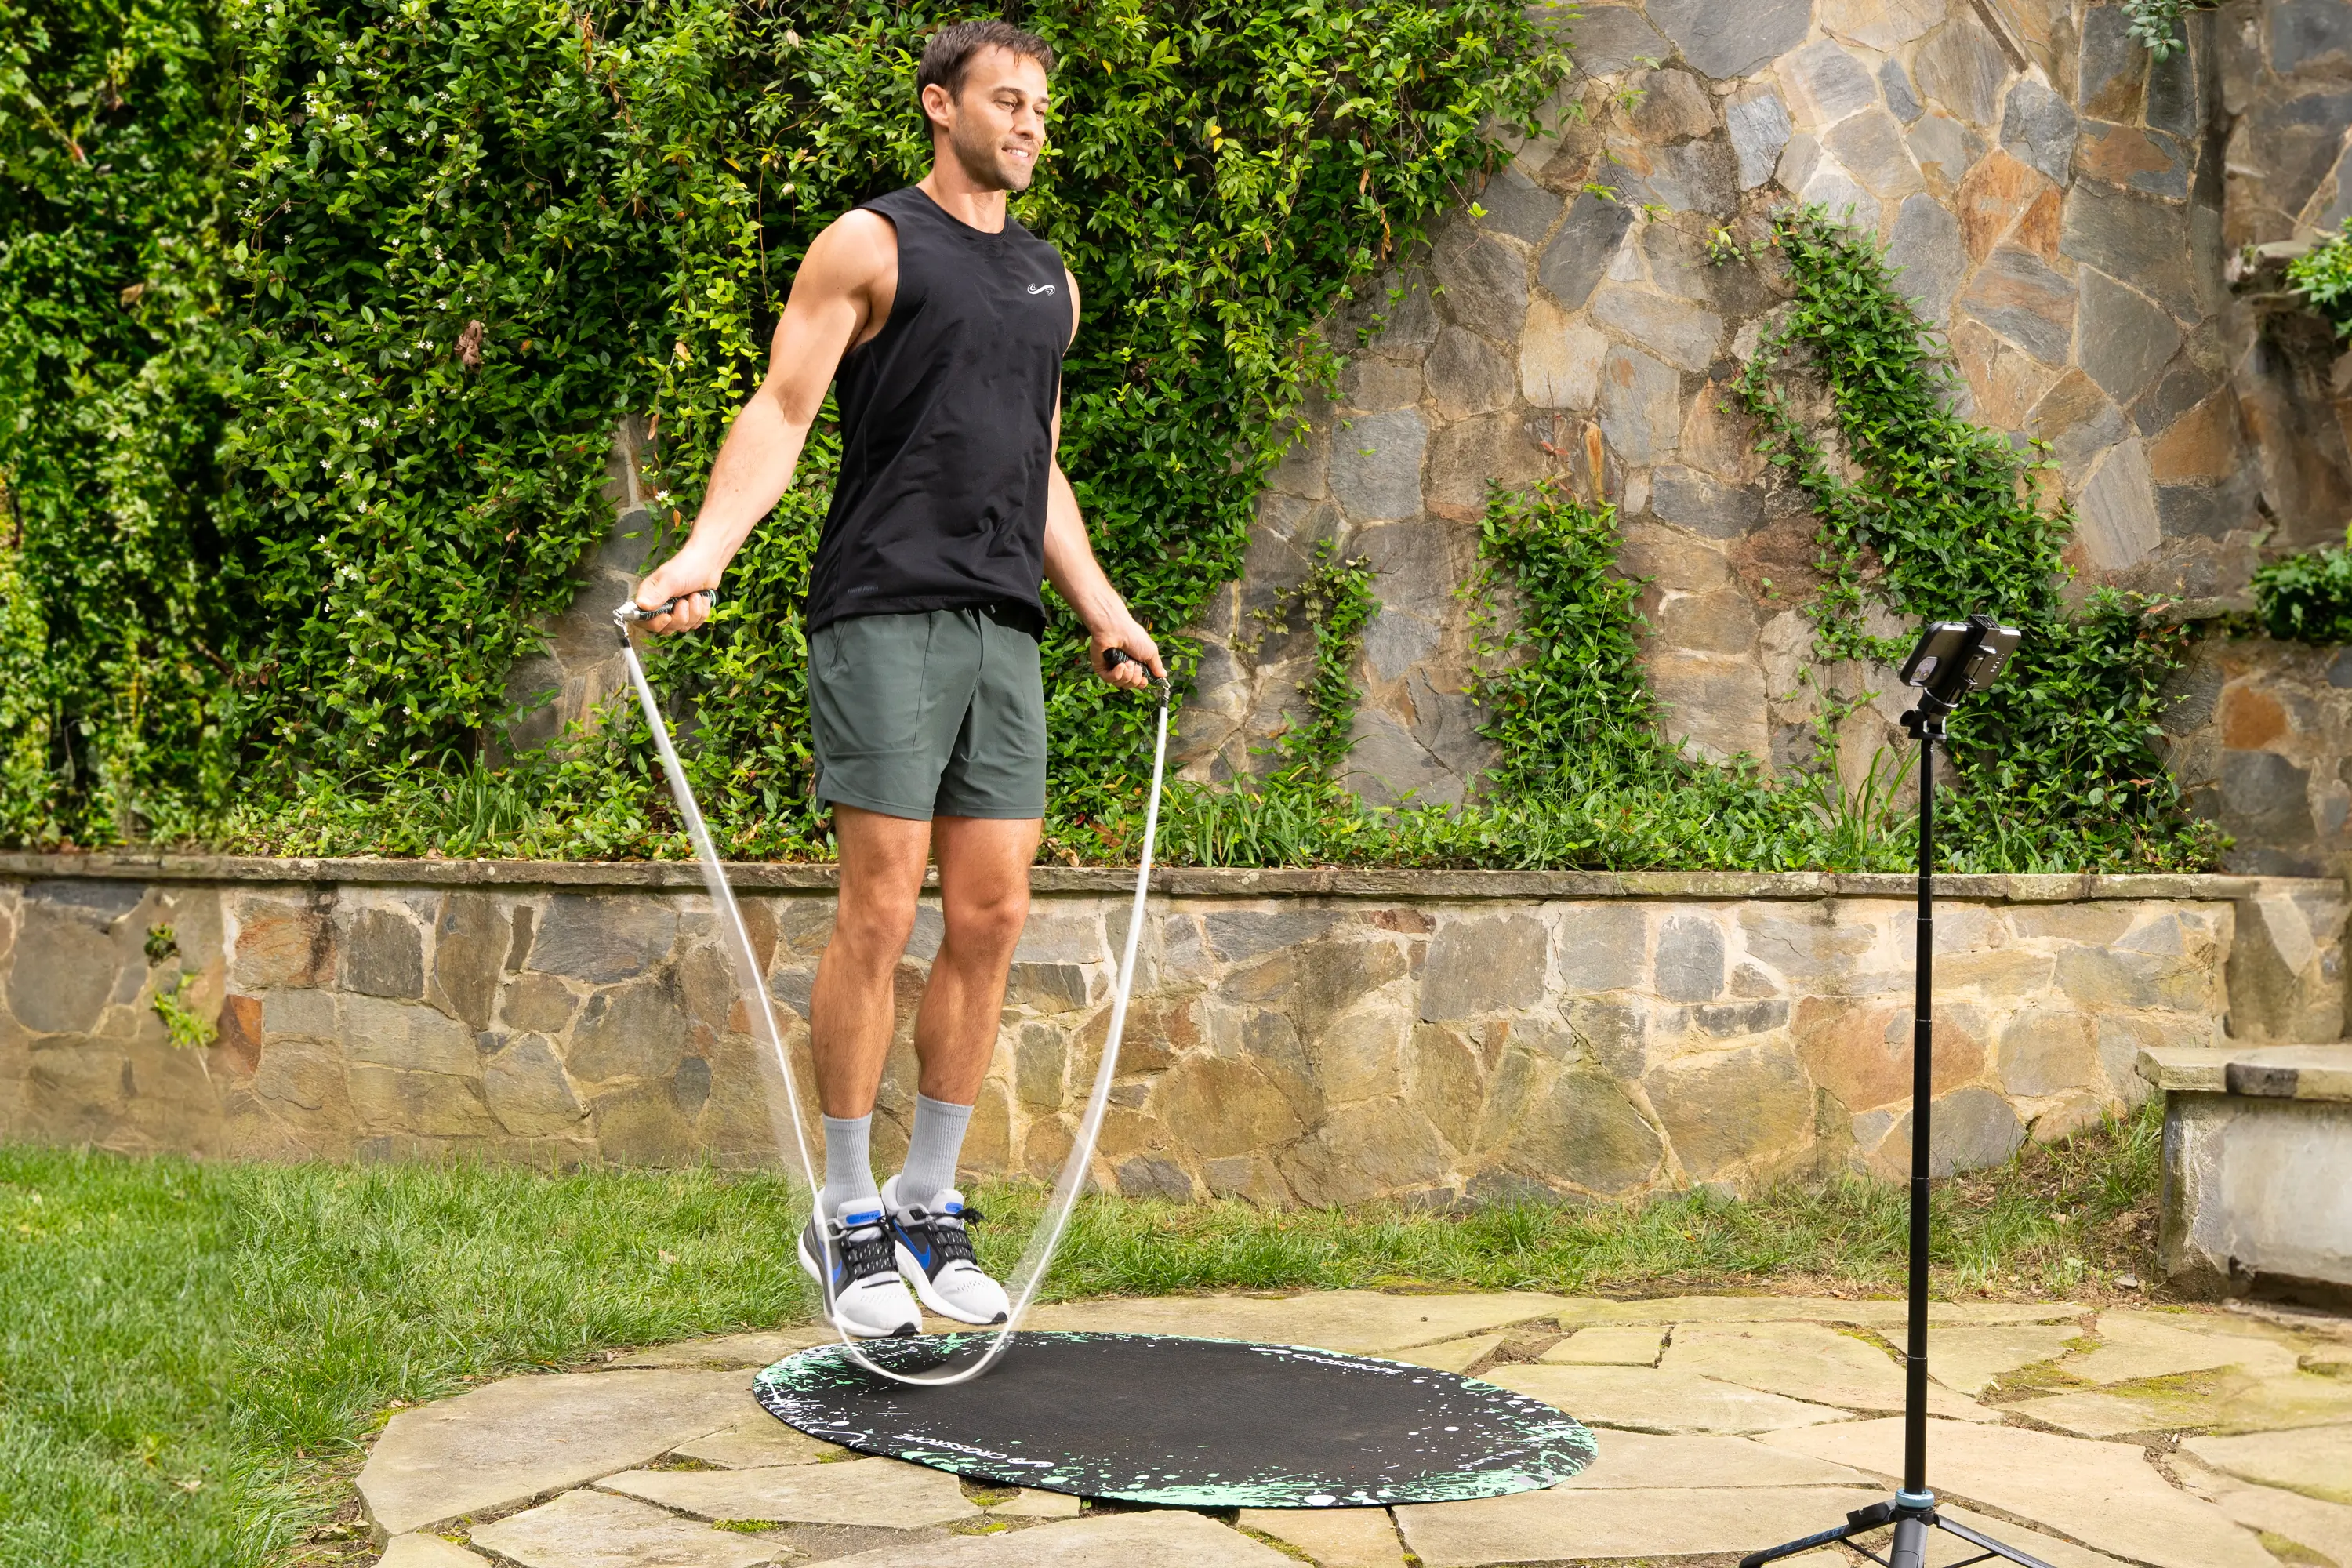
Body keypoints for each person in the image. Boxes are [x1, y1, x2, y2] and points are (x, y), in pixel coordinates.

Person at [633, 18, 1163, 1338]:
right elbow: (781, 409)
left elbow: (1035, 465)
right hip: (880, 610)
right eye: (1006, 100)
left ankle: (932, 1202)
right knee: (878, 906)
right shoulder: (869, 245)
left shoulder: (1052, 282)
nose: (1031, 122)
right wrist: (704, 553)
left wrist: (1101, 608)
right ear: (942, 107)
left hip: (1003, 626)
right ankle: (849, 1212)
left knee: (989, 915)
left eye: (1043, 105)